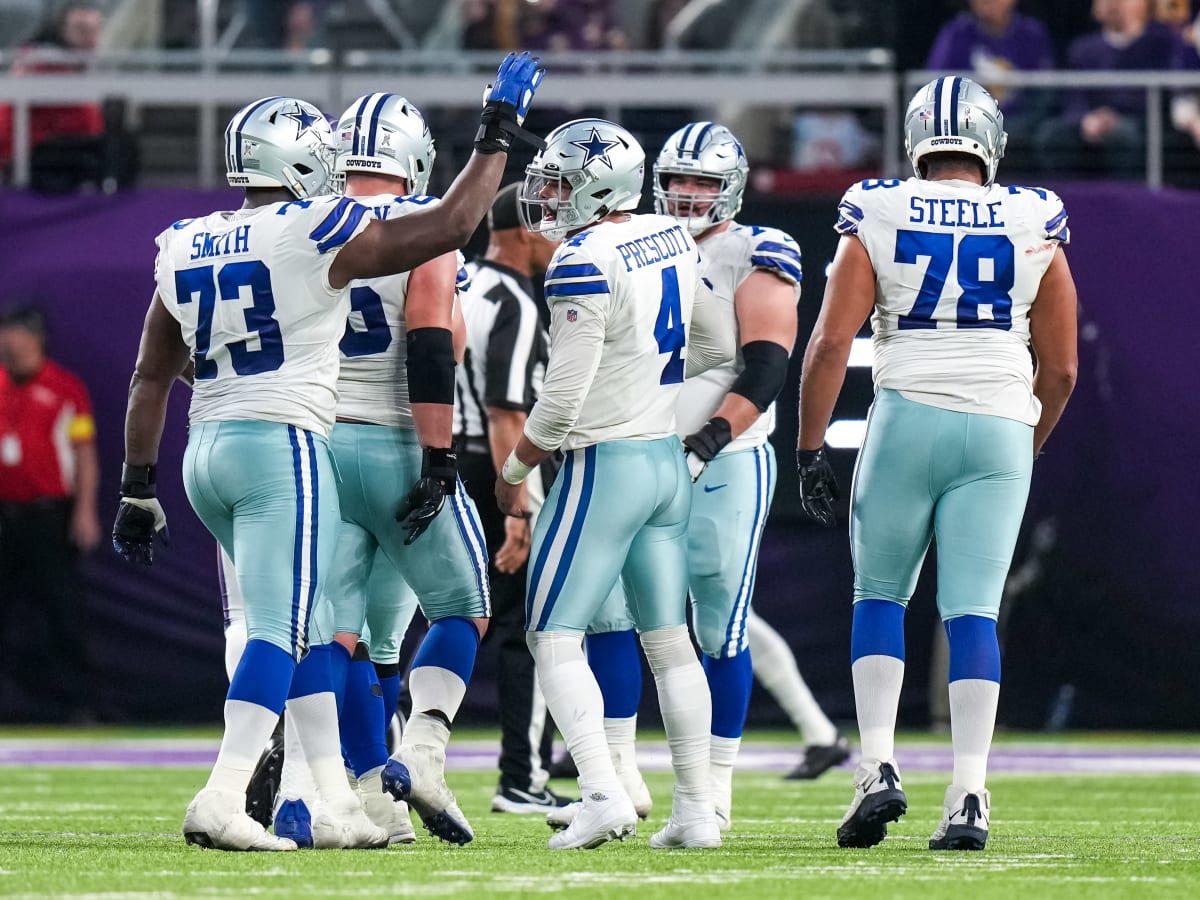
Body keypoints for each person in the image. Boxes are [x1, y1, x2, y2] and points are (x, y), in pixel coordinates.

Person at [111, 52, 546, 852]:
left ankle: (326, 797)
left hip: (208, 445)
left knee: (313, 631)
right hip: (299, 443)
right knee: (311, 627)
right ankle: (240, 787)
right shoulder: (323, 225)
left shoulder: (185, 239)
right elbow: (446, 245)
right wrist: (497, 130)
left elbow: (147, 376)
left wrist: (137, 487)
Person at [796, 75, 1077, 851]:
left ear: (919, 137)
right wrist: (1023, 444)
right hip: (998, 420)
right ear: (990, 142)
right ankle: (970, 793)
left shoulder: (879, 205)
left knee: (879, 595)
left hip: (907, 412)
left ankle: (879, 768)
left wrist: (810, 445)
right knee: (973, 612)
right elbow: (1060, 370)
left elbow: (827, 343)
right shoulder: (1033, 214)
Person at [495, 117, 735, 851]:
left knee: (552, 634)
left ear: (599, 184)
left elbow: (561, 400)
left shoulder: (580, 257)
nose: (550, 195)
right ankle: (696, 812)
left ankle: (602, 791)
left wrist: (514, 470)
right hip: (664, 462)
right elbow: (719, 347)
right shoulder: (669, 234)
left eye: (562, 181)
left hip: (604, 465)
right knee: (670, 642)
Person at [321, 91, 494, 847]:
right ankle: (420, 751)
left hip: (319, 445)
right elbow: (429, 346)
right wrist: (438, 456)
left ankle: (372, 798)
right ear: (413, 158)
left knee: (344, 634)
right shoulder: (422, 223)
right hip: (394, 439)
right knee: (465, 607)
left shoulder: (305, 224)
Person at [453, 182, 573, 815]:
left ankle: (387, 746)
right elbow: (507, 411)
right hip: (493, 468)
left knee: (436, 616)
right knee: (527, 627)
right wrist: (518, 504)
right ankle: (521, 777)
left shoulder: (458, 281)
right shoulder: (515, 302)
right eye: (552, 227)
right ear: (527, 232)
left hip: (438, 459)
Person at [0, 303, 100, 722]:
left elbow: (84, 453)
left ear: (35, 337)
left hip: (47, 516)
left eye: (15, 332)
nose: (8, 340)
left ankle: (80, 704)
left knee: (62, 609)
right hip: (4, 516)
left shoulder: (64, 388)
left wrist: (85, 510)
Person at [1034, 0, 1180, 178]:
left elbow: (1162, 100)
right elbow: (1073, 97)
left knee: (1124, 134)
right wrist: (1085, 119)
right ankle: (1064, 197)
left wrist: (1113, 119)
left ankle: (1128, 197)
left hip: (1138, 123)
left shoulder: (1162, 45)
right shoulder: (1082, 49)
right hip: (1090, 121)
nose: (1114, 4)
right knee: (1051, 133)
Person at [925, 0, 1055, 162]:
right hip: (967, 124)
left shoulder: (1032, 33)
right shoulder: (956, 33)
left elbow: (1045, 92)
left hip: (1022, 123)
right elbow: (935, 85)